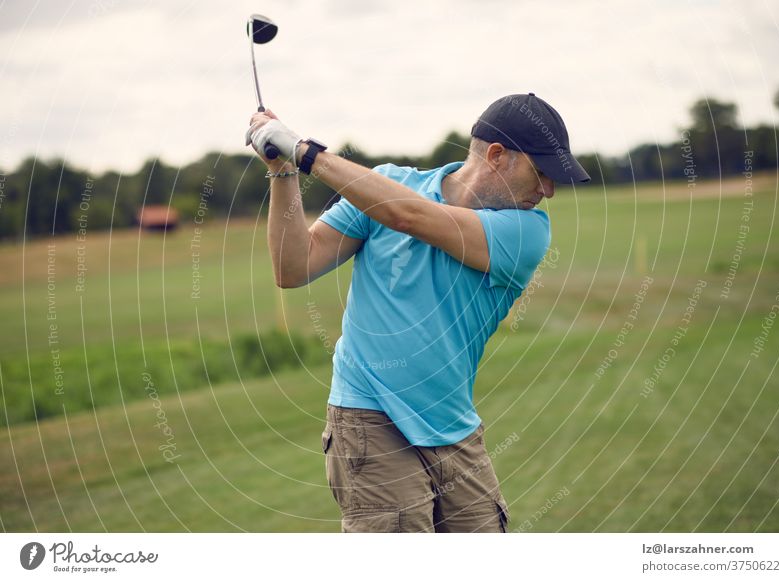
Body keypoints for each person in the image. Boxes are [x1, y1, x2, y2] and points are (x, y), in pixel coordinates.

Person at [245, 92, 590, 532]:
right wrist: (283, 169)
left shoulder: (526, 230)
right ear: (498, 156)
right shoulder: (387, 184)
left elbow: (408, 215)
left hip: (454, 428)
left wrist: (306, 152)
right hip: (368, 418)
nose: (548, 191)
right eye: (541, 173)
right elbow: (293, 267)